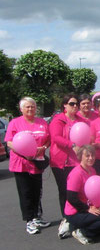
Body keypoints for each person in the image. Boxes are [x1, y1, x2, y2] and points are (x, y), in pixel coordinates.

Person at [5, 97, 51, 235]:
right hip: (21, 163)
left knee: (37, 191)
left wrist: (43, 147)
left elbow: (48, 140)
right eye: (27, 107)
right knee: (26, 193)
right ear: (21, 109)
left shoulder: (42, 122)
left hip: (37, 162)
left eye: (32, 106)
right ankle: (29, 220)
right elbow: (9, 142)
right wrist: (25, 153)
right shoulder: (15, 123)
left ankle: (37, 217)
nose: (30, 109)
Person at [64, 145, 100, 245]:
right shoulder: (76, 174)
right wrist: (87, 209)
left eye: (92, 155)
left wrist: (98, 202)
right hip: (75, 212)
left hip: (88, 207)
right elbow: (71, 198)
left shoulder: (92, 171)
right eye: (87, 156)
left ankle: (80, 228)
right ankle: (82, 232)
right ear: (80, 157)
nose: (91, 158)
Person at [50, 94, 87, 220]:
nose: (75, 106)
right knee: (65, 191)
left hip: (77, 162)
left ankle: (77, 215)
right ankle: (66, 217)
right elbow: (56, 137)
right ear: (64, 105)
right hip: (61, 162)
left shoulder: (81, 121)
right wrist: (72, 145)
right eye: (72, 103)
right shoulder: (58, 120)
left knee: (78, 190)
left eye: (77, 103)